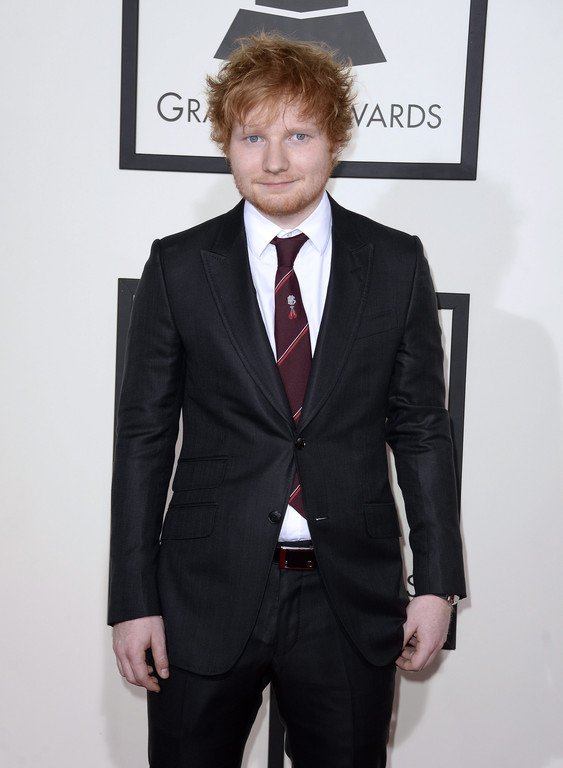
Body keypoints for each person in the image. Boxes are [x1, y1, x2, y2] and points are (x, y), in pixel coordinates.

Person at [109, 33, 466, 768]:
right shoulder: (179, 265)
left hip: (349, 598)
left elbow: (422, 430)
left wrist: (436, 585)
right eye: (253, 137)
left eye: (298, 135)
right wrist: (132, 599)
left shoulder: (395, 262)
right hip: (202, 595)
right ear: (226, 144)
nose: (274, 160)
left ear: (335, 140)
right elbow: (143, 438)